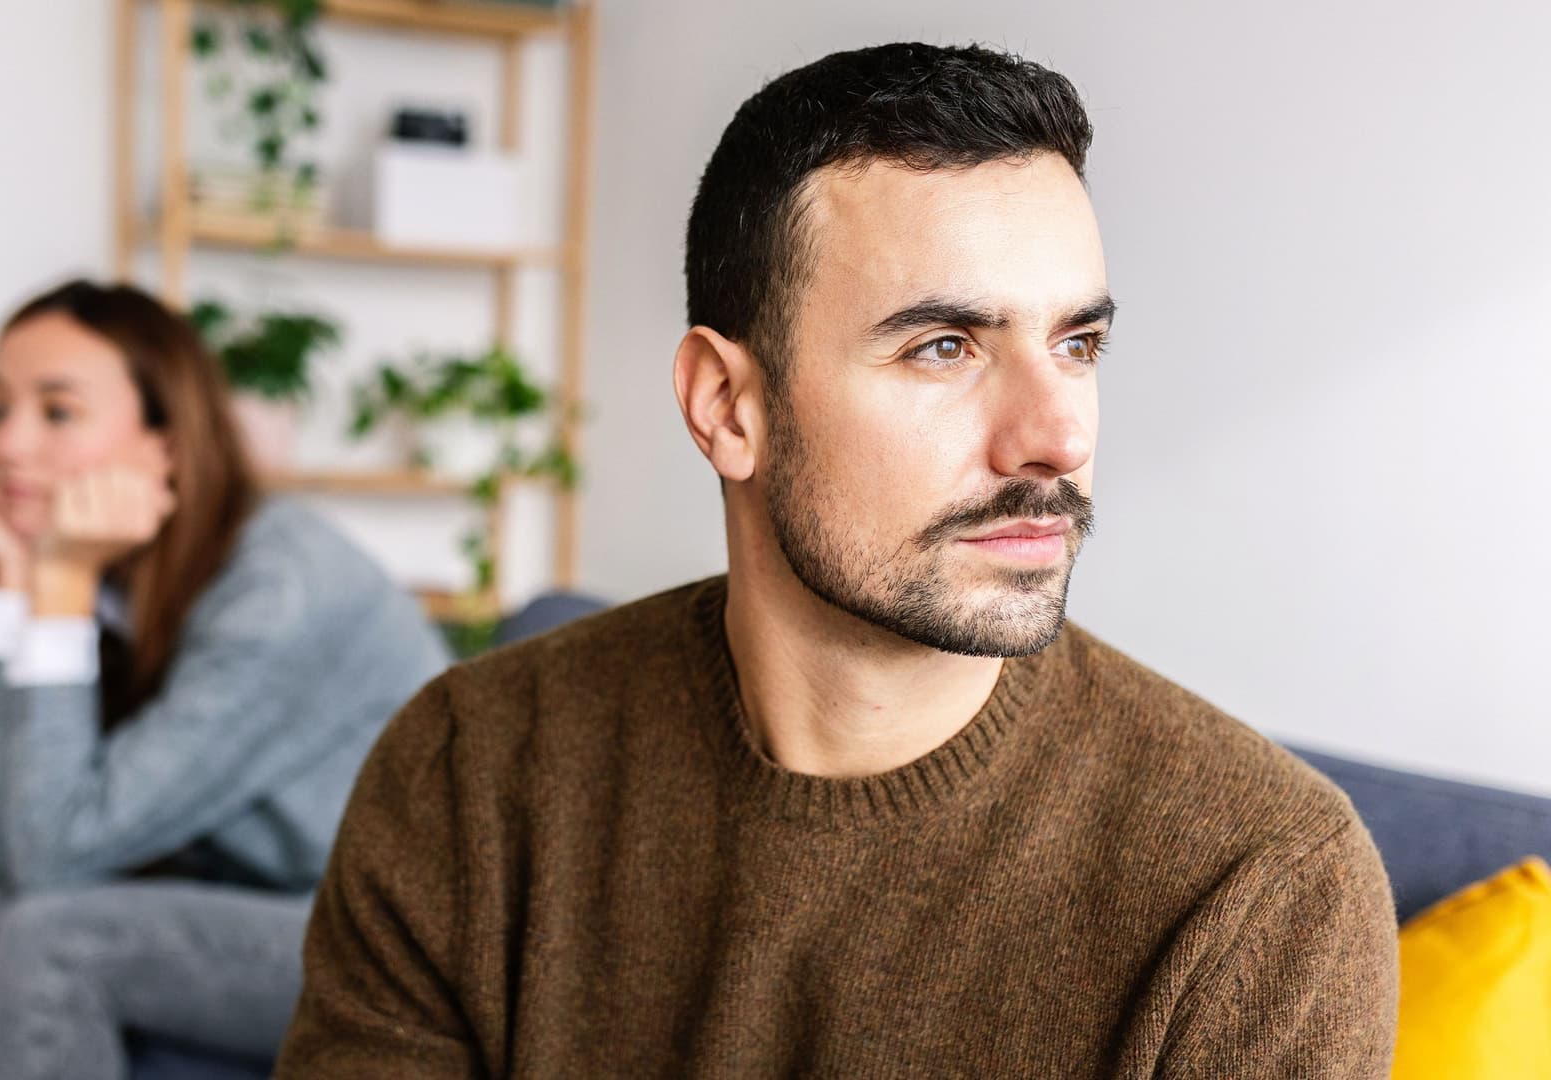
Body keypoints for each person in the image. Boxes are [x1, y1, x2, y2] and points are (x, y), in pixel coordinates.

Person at [279, 43, 1399, 1077]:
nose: (1059, 437)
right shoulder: (468, 770)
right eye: (944, 347)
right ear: (728, 407)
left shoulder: (1261, 890)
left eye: (1077, 343)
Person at [0, 279, 451, 1080]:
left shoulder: (278, 589)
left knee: (50, 941)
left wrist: (58, 585)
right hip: (247, 891)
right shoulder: (113, 566)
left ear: (166, 440)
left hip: (392, 940)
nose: (8, 444)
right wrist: (9, 586)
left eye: (57, 411)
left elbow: (50, 855)